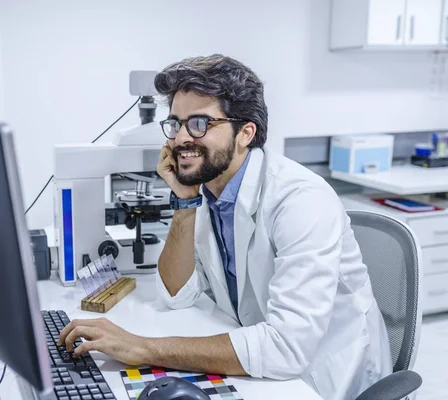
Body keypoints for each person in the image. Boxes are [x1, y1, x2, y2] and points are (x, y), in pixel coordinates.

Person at [58, 54, 392, 400]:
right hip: (256, 361)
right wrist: (184, 203)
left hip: (320, 380)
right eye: (175, 124)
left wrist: (143, 348)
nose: (181, 138)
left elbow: (288, 348)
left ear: (246, 132)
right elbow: (176, 296)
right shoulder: (209, 190)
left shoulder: (300, 200)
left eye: (200, 123)